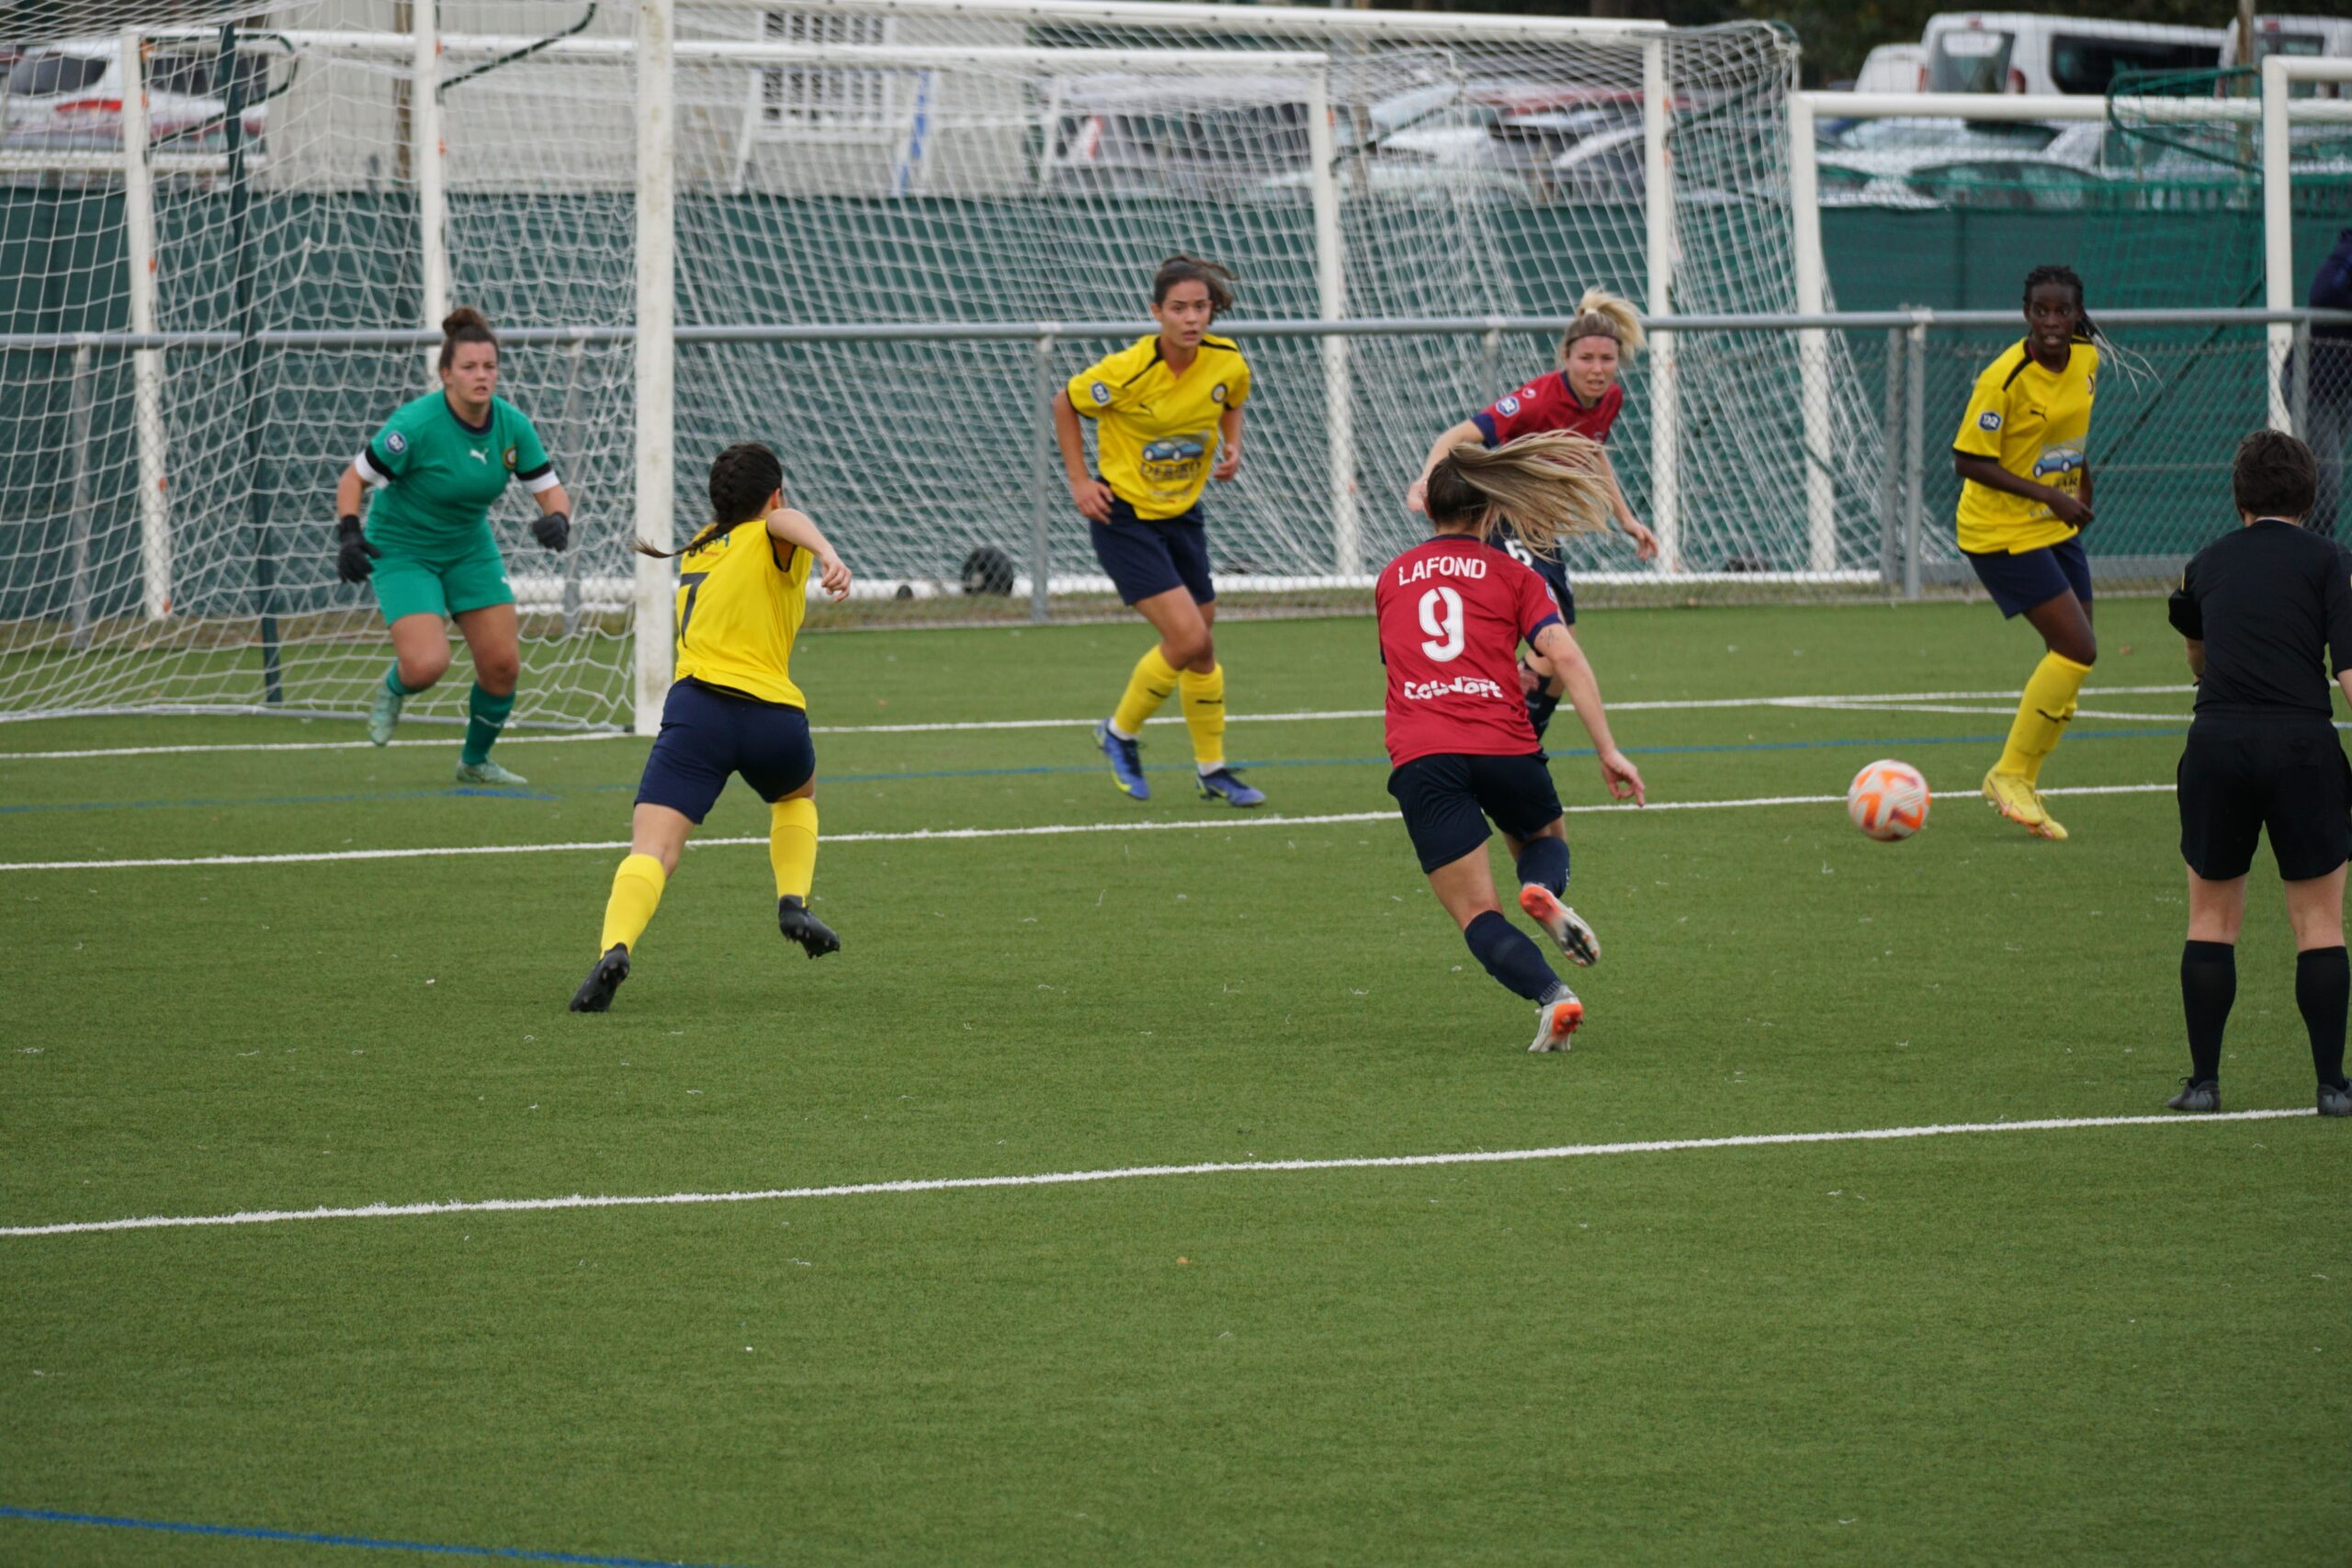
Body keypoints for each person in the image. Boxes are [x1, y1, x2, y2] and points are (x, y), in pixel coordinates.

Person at [1375, 430, 1646, 1052]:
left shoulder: (1391, 577)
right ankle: (1545, 888)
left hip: (1423, 753)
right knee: (1543, 840)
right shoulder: (1515, 574)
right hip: (1503, 741)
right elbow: (1566, 657)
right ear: (1492, 510)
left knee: (1477, 913)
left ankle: (1555, 997)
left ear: (1432, 507)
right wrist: (1608, 748)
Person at [569, 443, 854, 1013]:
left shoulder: (700, 546)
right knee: (797, 796)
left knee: (653, 847)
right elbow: (782, 521)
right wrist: (826, 553)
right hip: (772, 715)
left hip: (697, 712)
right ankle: (791, 899)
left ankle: (615, 947)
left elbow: (767, 518)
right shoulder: (773, 532)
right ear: (775, 495)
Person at [2163, 429, 2352, 1118]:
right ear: (2309, 494)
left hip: (2218, 743)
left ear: (2239, 496)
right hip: (2302, 744)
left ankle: (2204, 1084)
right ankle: (2333, 1085)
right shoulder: (2332, 561)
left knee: (2212, 918)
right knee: (2319, 922)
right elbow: (2350, 672)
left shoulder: (2204, 563)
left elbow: (2198, 656)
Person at [1051, 254, 1263, 808]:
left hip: (1183, 515)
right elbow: (1064, 403)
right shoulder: (1126, 370)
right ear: (1156, 312)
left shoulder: (1226, 361)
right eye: (1179, 308)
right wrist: (1078, 481)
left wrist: (1231, 443)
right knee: (1189, 637)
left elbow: (1233, 399)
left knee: (1203, 644)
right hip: (1124, 518)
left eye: (1201, 307)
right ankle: (1119, 733)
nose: (1191, 318)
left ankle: (1212, 768)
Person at [1405, 288, 1661, 741]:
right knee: (1552, 646)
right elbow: (1457, 436)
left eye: (1607, 358)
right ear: (1565, 356)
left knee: (1563, 660)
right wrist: (1426, 480)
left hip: (1539, 531)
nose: (1597, 369)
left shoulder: (1610, 398)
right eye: (1586, 358)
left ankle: (1521, 739)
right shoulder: (1536, 400)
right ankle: (1498, 728)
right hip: (1505, 522)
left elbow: (1592, 451)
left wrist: (1625, 518)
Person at [334, 307, 574, 784]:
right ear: (446, 374)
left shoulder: (512, 426)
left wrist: (558, 519)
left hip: (469, 548)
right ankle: (393, 688)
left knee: (503, 666)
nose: (481, 376)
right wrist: (348, 532)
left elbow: (550, 489)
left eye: (489, 366)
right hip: (402, 550)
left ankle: (475, 762)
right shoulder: (416, 425)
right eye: (468, 367)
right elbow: (353, 479)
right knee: (426, 666)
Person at [1951, 264, 2115, 842]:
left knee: (2075, 659)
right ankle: (2009, 774)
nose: (2051, 322)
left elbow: (2066, 432)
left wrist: (2077, 482)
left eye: (2061, 311)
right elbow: (1969, 462)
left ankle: (2024, 778)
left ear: (2076, 314)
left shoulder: (2088, 360)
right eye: (2040, 311)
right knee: (2078, 646)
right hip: (1998, 530)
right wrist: (2050, 493)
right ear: (2026, 313)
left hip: (2053, 521)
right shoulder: (2004, 376)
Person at [2301, 228, 2352, 540]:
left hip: (2345, 389)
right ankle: (2316, 556)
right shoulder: (2347, 254)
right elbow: (2322, 294)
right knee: (2326, 481)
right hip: (2314, 386)